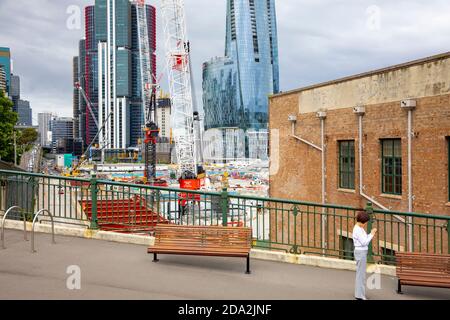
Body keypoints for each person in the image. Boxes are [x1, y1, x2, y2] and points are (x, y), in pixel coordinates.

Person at [353, 211, 377, 300]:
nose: (366, 224)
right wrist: (372, 234)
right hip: (361, 253)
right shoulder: (358, 229)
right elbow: (364, 242)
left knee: (360, 274)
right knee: (361, 275)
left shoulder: (359, 228)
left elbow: (364, 239)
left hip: (361, 252)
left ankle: (359, 294)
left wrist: (370, 234)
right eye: (366, 222)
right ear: (362, 222)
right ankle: (360, 296)